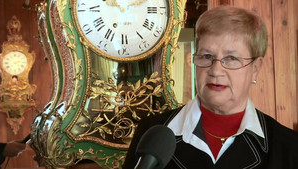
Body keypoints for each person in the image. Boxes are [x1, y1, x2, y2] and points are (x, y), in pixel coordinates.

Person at [122, 5, 298, 169]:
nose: (215, 70)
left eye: (231, 58)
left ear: (255, 69)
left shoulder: (287, 147)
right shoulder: (151, 135)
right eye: (206, 56)